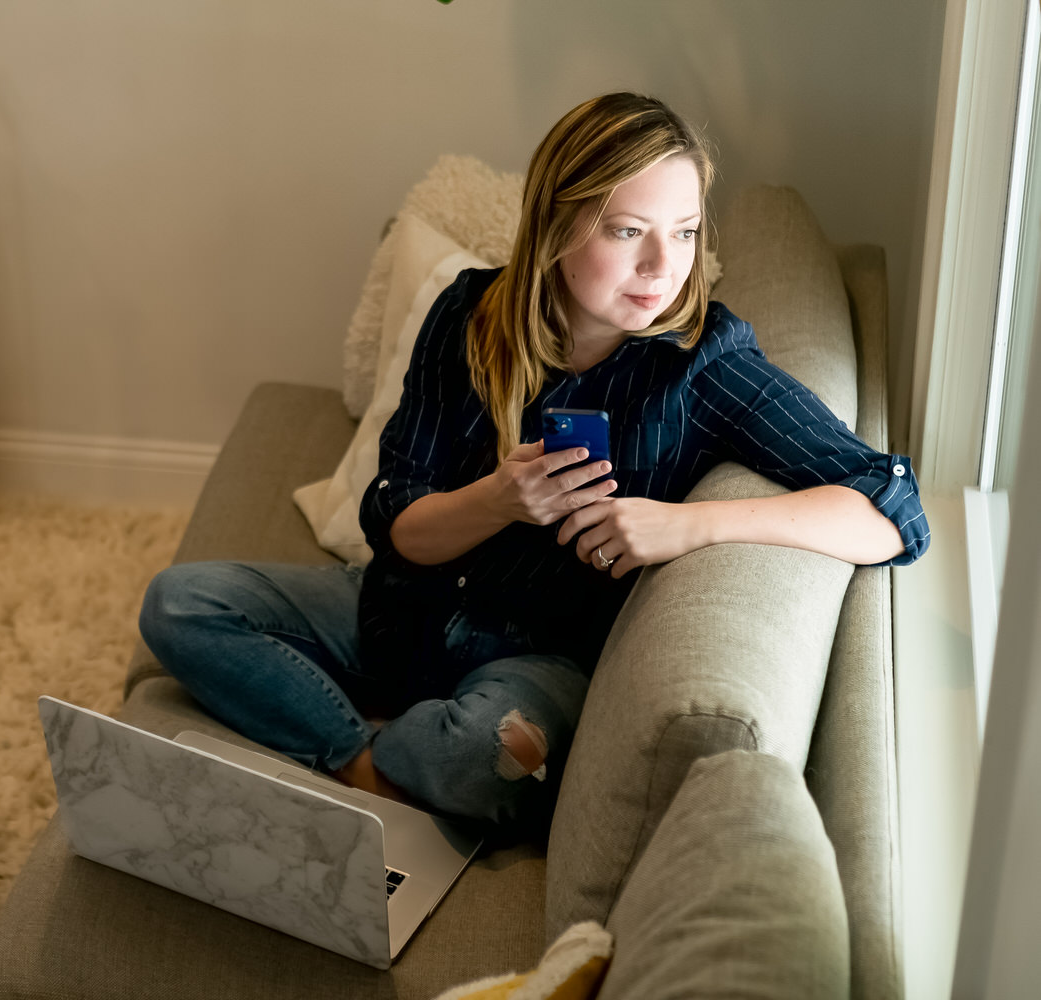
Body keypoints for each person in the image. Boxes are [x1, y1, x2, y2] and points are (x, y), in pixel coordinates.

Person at [138, 92, 929, 831]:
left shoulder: (704, 365)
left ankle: (380, 742)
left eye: (684, 232)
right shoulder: (469, 314)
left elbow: (893, 507)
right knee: (180, 603)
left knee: (492, 759)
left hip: (540, 658)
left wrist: (687, 527)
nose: (663, 265)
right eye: (628, 231)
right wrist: (498, 499)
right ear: (556, 227)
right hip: (399, 606)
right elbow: (395, 525)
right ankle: (363, 763)